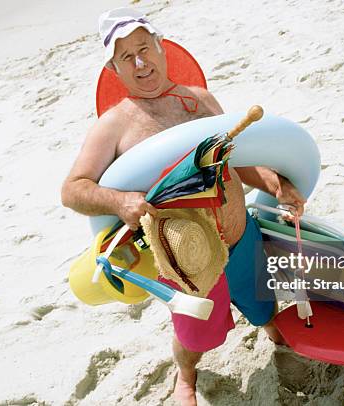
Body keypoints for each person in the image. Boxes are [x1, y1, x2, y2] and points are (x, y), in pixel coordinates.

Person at [61, 7, 306, 405]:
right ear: (115, 69)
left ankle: (274, 333)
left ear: (162, 48)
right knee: (196, 335)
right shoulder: (114, 125)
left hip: (240, 234)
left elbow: (237, 161)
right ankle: (187, 374)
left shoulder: (200, 101)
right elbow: (72, 189)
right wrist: (119, 200)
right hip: (185, 258)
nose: (141, 63)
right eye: (127, 57)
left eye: (145, 48)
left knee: (263, 302)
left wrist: (278, 184)